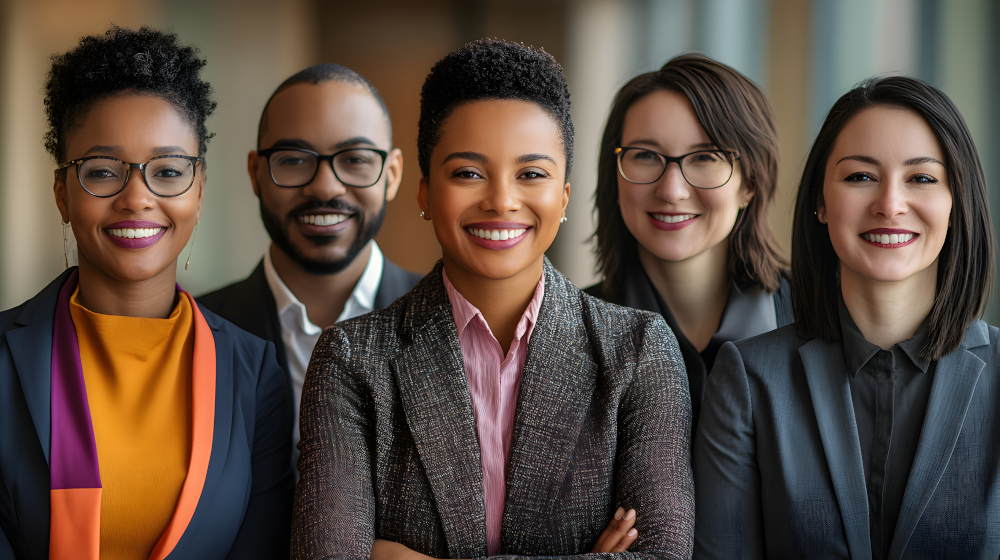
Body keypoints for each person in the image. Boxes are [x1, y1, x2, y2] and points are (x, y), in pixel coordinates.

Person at [291, 39, 695, 559]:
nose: (501, 200)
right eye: (468, 173)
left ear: (564, 196)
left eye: (531, 174)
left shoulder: (637, 351)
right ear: (424, 192)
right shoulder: (351, 360)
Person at [0, 26, 293, 559]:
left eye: (167, 172)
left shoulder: (254, 377)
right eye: (103, 172)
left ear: (199, 192)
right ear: (62, 195)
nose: (137, 198)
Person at [693, 76, 998, 558]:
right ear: (820, 202)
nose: (890, 205)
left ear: (957, 202)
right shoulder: (749, 380)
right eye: (860, 177)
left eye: (921, 178)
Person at [198, 64, 422, 476]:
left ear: (391, 175)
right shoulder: (193, 333)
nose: (324, 187)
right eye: (294, 160)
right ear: (256, 173)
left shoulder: (448, 323)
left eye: (355, 159)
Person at [586, 54, 790, 431]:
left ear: (749, 183)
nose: (672, 190)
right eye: (646, 155)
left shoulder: (822, 322)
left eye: (705, 157)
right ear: (614, 178)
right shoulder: (564, 336)